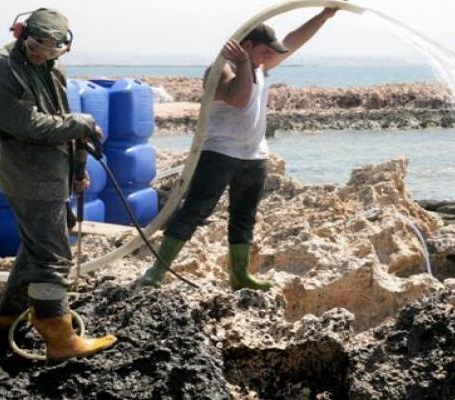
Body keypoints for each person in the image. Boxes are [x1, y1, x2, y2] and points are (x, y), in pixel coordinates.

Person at [140, 7, 343, 289]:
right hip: (219, 153)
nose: (269, 57)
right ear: (246, 46)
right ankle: (156, 273)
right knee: (195, 211)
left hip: (254, 155)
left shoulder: (258, 65)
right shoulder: (220, 69)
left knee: (244, 217)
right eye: (263, 51)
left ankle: (239, 275)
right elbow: (239, 99)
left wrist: (325, 15)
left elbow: (292, 42)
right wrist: (245, 64)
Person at [0, 8, 116, 360]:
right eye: (36, 46)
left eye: (53, 50)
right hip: (27, 177)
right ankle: (59, 338)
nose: (43, 54)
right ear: (20, 33)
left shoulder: (51, 69)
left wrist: (78, 167)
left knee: (38, 248)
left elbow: (64, 119)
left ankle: (6, 321)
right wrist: (80, 124)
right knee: (52, 257)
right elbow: (27, 124)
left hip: (53, 173)